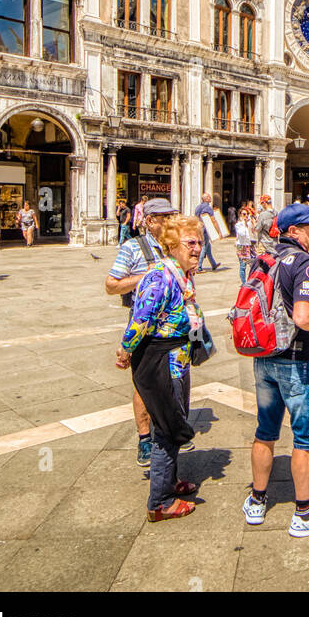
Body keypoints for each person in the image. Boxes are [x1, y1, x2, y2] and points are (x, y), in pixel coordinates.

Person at [242, 202, 309, 537]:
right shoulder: (304, 262)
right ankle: (304, 513)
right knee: (305, 438)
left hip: (264, 357)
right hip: (298, 362)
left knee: (265, 431)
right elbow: (303, 317)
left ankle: (257, 501)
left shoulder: (265, 258)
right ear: (293, 231)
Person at [116, 214, 207, 522]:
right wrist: (125, 350)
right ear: (171, 245)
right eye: (190, 243)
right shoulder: (160, 276)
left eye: (200, 242)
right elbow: (141, 320)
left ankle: (168, 481)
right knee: (166, 430)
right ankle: (160, 501)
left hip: (177, 361)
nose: (197, 249)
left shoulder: (182, 274)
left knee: (170, 423)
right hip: (161, 362)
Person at [106, 199, 168, 467]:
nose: (169, 222)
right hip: (143, 325)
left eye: (172, 216)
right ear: (150, 221)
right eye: (164, 218)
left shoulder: (175, 247)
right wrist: (146, 277)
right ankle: (145, 438)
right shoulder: (132, 247)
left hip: (174, 327)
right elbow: (111, 285)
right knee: (143, 383)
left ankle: (168, 430)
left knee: (172, 382)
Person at [194, 192, 224, 273]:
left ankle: (213, 264)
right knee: (204, 247)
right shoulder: (208, 208)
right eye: (209, 197)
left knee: (208, 247)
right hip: (205, 229)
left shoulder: (198, 207)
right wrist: (218, 231)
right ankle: (199, 267)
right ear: (206, 198)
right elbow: (213, 220)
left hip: (199, 228)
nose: (211, 198)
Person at [234, 209, 253, 283]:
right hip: (241, 246)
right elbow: (242, 234)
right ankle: (244, 282)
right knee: (242, 265)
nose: (246, 216)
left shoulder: (249, 224)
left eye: (247, 214)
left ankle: (251, 280)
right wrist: (244, 223)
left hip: (248, 245)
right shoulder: (239, 224)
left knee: (252, 264)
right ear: (240, 215)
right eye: (244, 214)